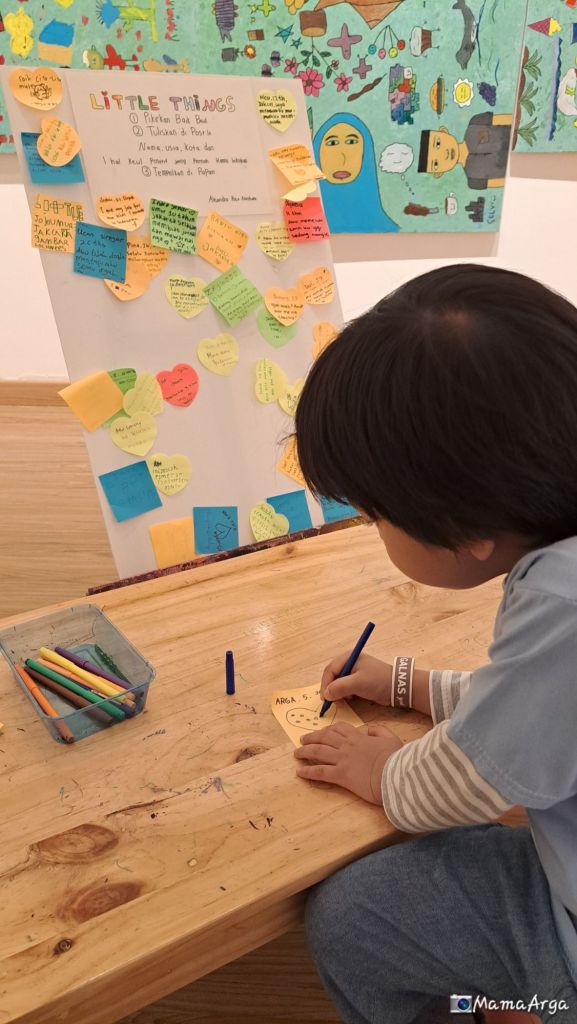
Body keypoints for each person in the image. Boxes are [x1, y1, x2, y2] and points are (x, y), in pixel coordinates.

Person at [293, 264, 577, 1024]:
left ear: (463, 530)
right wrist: (412, 685)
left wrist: (380, 769)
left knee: (352, 919)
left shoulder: (564, 601)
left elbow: (460, 783)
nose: (374, 528)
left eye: (374, 516)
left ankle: (521, 1003)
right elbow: (541, 712)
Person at [313, 113, 399, 233]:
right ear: (317, 152)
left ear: (365, 151)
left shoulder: (386, 228)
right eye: (332, 143)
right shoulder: (308, 226)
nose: (342, 157)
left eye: (351, 141)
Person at [418, 113, 513, 188]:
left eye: (438, 144)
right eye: (436, 163)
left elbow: (511, 119)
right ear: (438, 173)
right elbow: (506, 182)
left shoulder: (475, 122)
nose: (444, 154)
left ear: (443, 131)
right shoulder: (474, 180)